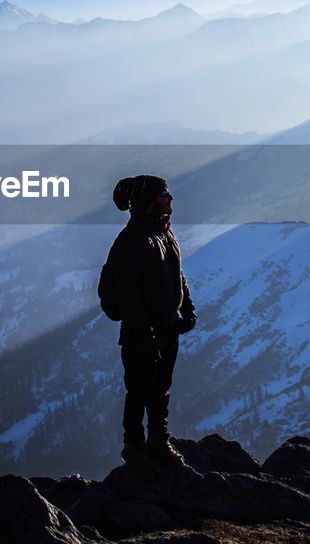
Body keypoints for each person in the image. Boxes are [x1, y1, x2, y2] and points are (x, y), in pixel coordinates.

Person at [106, 174, 197, 465]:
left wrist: (187, 309)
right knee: (139, 390)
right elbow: (127, 292)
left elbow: (176, 273)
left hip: (166, 327)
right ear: (148, 201)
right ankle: (135, 448)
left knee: (160, 388)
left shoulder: (163, 233)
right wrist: (144, 333)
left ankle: (158, 440)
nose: (170, 199)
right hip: (141, 332)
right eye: (163, 194)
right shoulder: (131, 242)